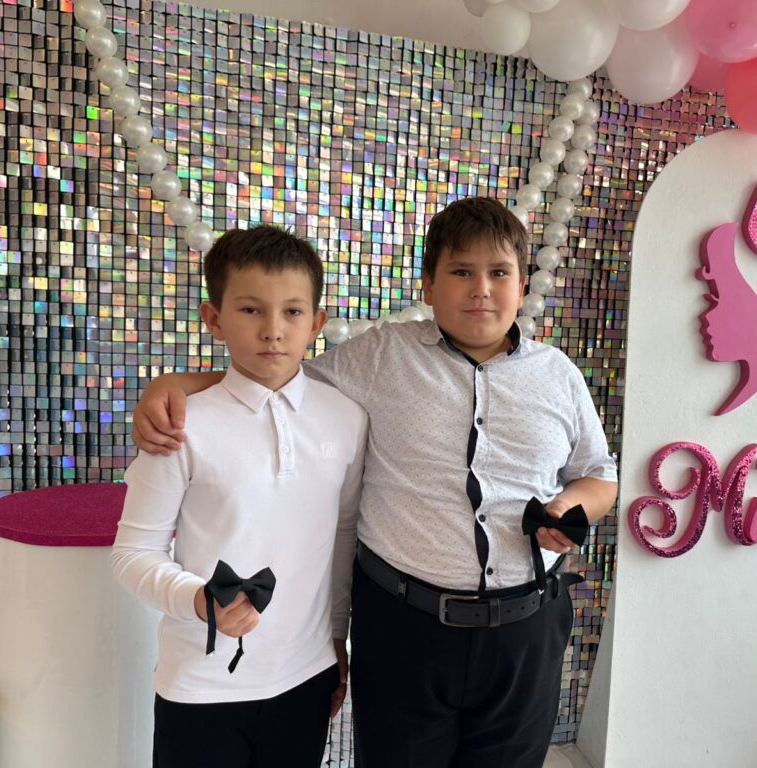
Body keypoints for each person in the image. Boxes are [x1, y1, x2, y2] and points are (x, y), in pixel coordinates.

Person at [132, 197, 619, 767]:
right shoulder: (383, 354)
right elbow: (279, 373)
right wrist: (175, 383)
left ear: (523, 285)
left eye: (499, 272)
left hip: (526, 629)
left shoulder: (558, 375)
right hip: (405, 629)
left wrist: (571, 505)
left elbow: (599, 474)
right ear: (428, 286)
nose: (481, 290)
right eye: (462, 272)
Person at [112, 225, 368, 768]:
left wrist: (337, 642)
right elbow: (132, 555)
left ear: (317, 322)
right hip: (200, 684)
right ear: (214, 319)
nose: (273, 330)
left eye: (293, 312)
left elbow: (342, 542)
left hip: (305, 677)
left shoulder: (347, 419)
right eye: (251, 310)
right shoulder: (179, 424)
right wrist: (199, 600)